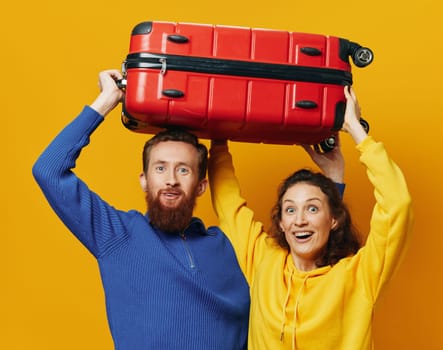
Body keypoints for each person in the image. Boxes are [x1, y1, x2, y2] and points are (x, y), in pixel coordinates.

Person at [32, 69, 250, 350]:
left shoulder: (228, 244)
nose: (171, 179)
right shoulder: (118, 235)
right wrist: (108, 99)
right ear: (144, 181)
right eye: (160, 168)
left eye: (183, 170)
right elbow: (48, 170)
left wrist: (221, 141)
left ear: (201, 186)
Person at [208, 86, 414, 349]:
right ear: (281, 223)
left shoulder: (359, 276)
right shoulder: (264, 260)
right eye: (290, 209)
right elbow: (228, 204)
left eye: (313, 208)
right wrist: (218, 138)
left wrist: (356, 131)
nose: (300, 220)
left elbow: (398, 204)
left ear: (334, 220)